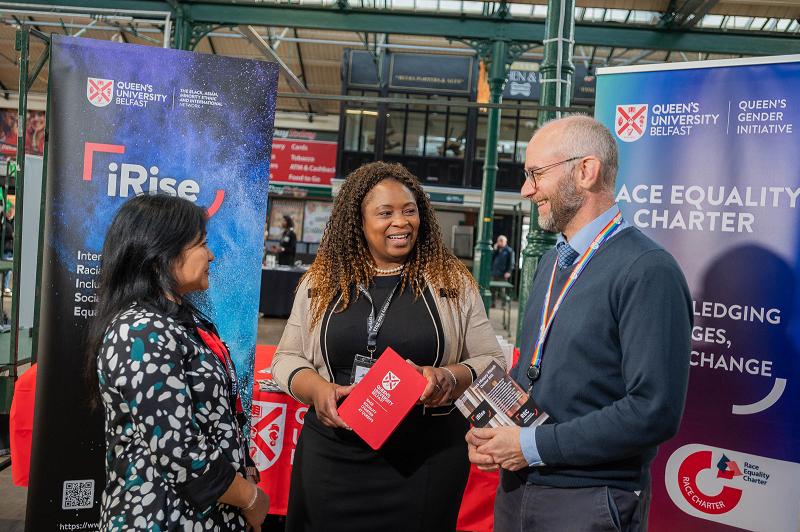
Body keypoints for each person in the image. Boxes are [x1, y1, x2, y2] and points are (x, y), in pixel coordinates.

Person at [467, 116, 692, 532]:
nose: (526, 189)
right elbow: (534, 370)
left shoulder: (648, 270)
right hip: (517, 490)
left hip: (589, 500)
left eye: (536, 173)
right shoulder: (553, 261)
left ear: (586, 171)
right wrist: (493, 428)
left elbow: (653, 411)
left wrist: (531, 445)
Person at [271, 161, 505, 532]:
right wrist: (317, 390)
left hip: (426, 458)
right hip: (334, 453)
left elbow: (492, 359)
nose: (401, 221)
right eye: (386, 213)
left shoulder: (451, 281)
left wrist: (447, 377)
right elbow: (286, 358)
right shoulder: (320, 282)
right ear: (359, 223)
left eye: (409, 210)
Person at [85, 194, 270, 532]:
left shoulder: (179, 320)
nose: (211, 255)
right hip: (164, 519)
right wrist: (252, 499)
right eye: (201, 244)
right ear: (158, 258)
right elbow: (180, 450)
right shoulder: (140, 331)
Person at [490, 235, 514, 308]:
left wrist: (508, 271)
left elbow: (511, 262)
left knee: (502, 290)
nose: (500, 243)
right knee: (493, 290)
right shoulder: (496, 250)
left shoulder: (509, 251)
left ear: (505, 242)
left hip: (503, 273)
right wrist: (494, 250)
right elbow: (491, 258)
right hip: (494, 272)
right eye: (498, 241)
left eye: (501, 241)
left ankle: (503, 304)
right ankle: (492, 303)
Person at [3, 205, 14, 294]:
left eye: (11, 213)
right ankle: (4, 286)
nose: (9, 214)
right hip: (5, 249)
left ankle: (5, 286)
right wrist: (10, 236)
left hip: (11, 250)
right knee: (5, 270)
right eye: (8, 212)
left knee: (9, 271)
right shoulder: (2, 221)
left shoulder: (14, 222)